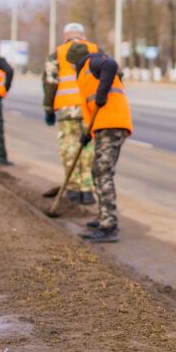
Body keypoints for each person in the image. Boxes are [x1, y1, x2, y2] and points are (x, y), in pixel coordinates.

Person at [66, 42, 132, 243]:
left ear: (74, 62)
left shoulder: (92, 62)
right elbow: (90, 106)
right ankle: (104, 216)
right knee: (98, 171)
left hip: (112, 124)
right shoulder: (85, 74)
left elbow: (111, 65)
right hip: (104, 126)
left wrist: (102, 93)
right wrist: (87, 133)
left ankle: (109, 226)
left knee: (103, 172)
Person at [42, 22, 98, 205]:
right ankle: (87, 190)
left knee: (70, 147)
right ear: (83, 35)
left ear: (65, 36)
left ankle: (73, 189)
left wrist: (48, 108)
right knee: (88, 148)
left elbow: (50, 82)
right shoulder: (96, 50)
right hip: (91, 109)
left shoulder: (57, 54)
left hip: (67, 109)